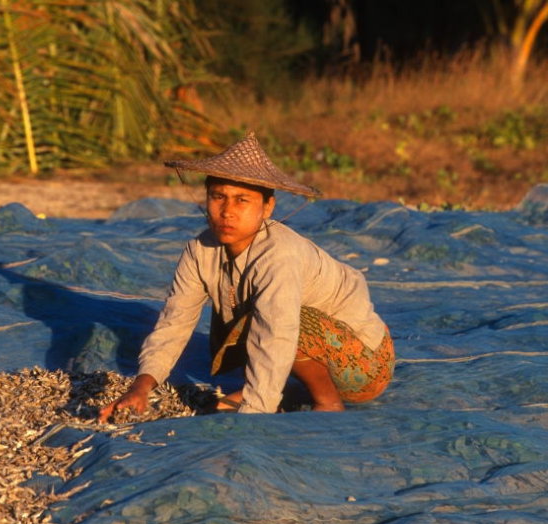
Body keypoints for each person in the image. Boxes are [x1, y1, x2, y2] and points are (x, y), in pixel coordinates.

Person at [98, 132, 394, 420]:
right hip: (308, 352)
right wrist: (141, 387)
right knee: (243, 310)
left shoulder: (280, 255)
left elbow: (276, 336)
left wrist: (253, 419)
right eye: (218, 197)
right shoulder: (200, 250)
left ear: (267, 207)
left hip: (364, 364)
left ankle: (327, 403)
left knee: (282, 319)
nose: (227, 211)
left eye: (242, 200)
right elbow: (174, 323)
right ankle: (282, 390)